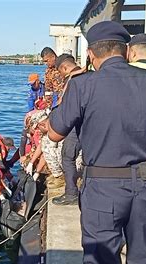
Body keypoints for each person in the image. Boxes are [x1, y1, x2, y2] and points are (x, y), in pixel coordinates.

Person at [47, 21, 146, 264]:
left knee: (101, 259)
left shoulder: (82, 85)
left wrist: (67, 93)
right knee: (145, 258)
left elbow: (55, 133)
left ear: (90, 54)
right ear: (126, 51)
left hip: (102, 188)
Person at [52, 53, 85, 205]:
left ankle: (71, 192)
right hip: (91, 123)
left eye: (60, 72)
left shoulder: (73, 80)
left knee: (67, 157)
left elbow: (65, 105)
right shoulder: (89, 74)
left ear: (64, 67)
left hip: (75, 124)